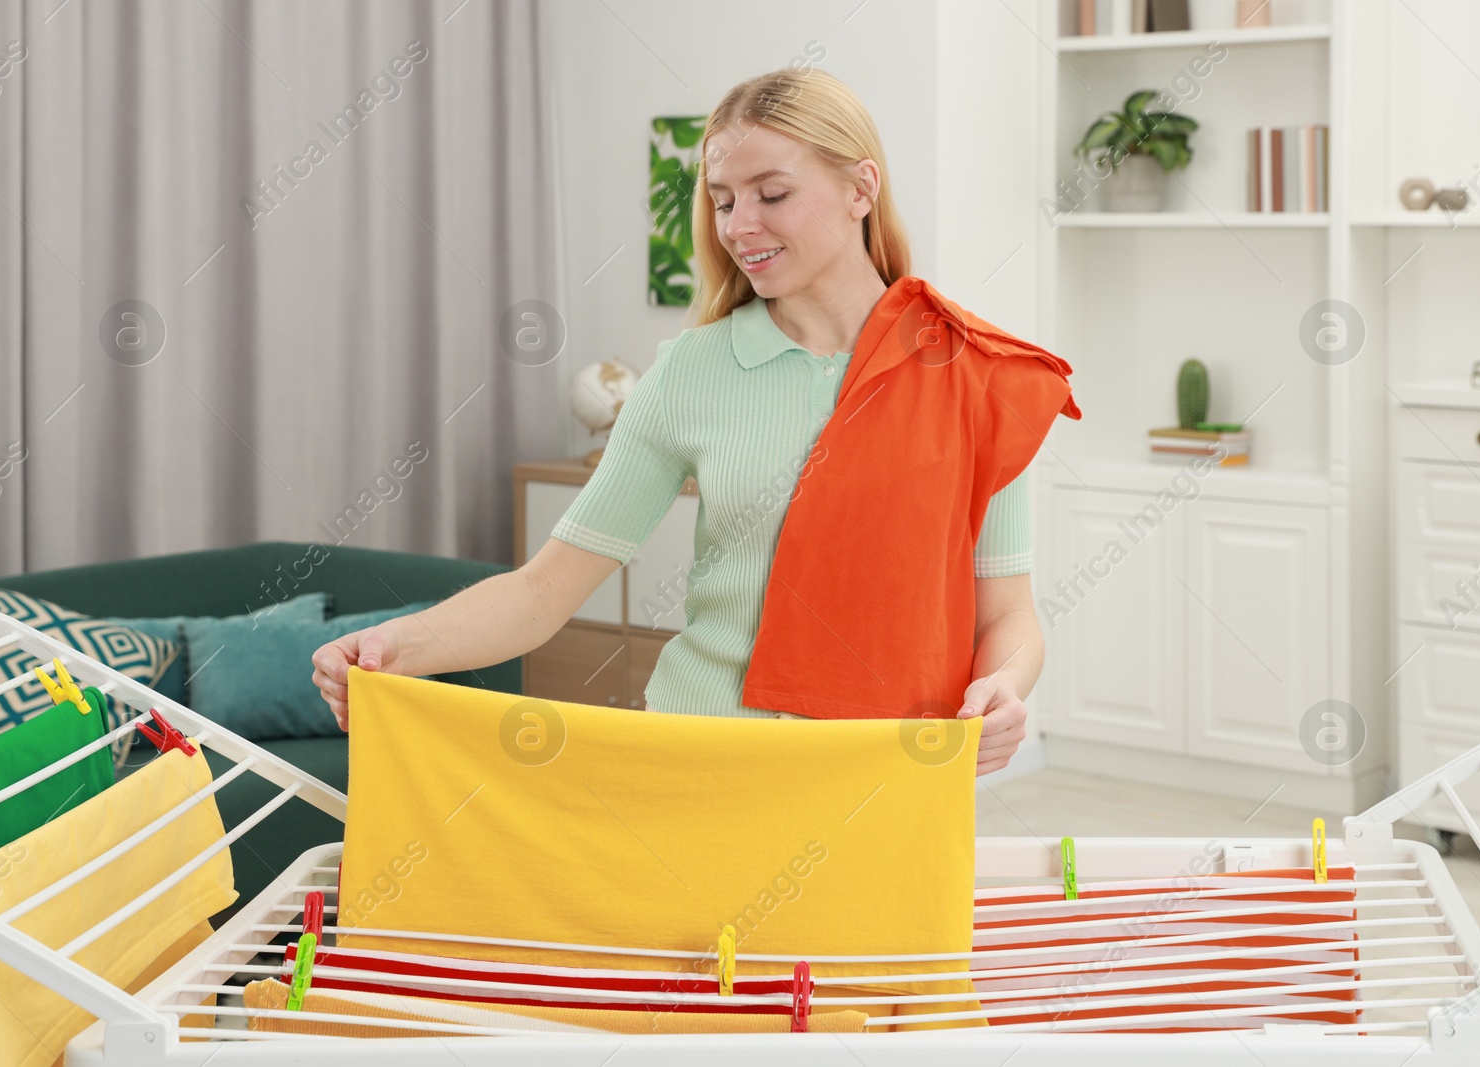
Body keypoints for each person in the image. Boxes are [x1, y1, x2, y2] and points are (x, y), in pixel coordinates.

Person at [311, 68, 1045, 776]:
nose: (739, 225)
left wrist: (1005, 687)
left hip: (893, 770)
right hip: (706, 758)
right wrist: (393, 646)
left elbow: (1008, 616)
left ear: (862, 188)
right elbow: (544, 592)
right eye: (723, 200)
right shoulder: (691, 372)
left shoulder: (975, 375)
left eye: (773, 193)